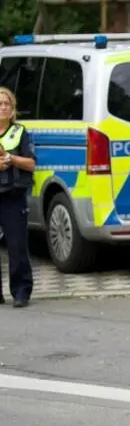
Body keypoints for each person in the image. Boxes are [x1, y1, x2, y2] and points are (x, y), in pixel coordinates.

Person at [0, 86, 36, 308]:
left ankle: (21, 291)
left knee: (16, 246)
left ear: (12, 110)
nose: (3, 107)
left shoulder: (19, 132)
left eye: (7, 104)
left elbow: (31, 164)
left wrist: (11, 159)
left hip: (12, 196)